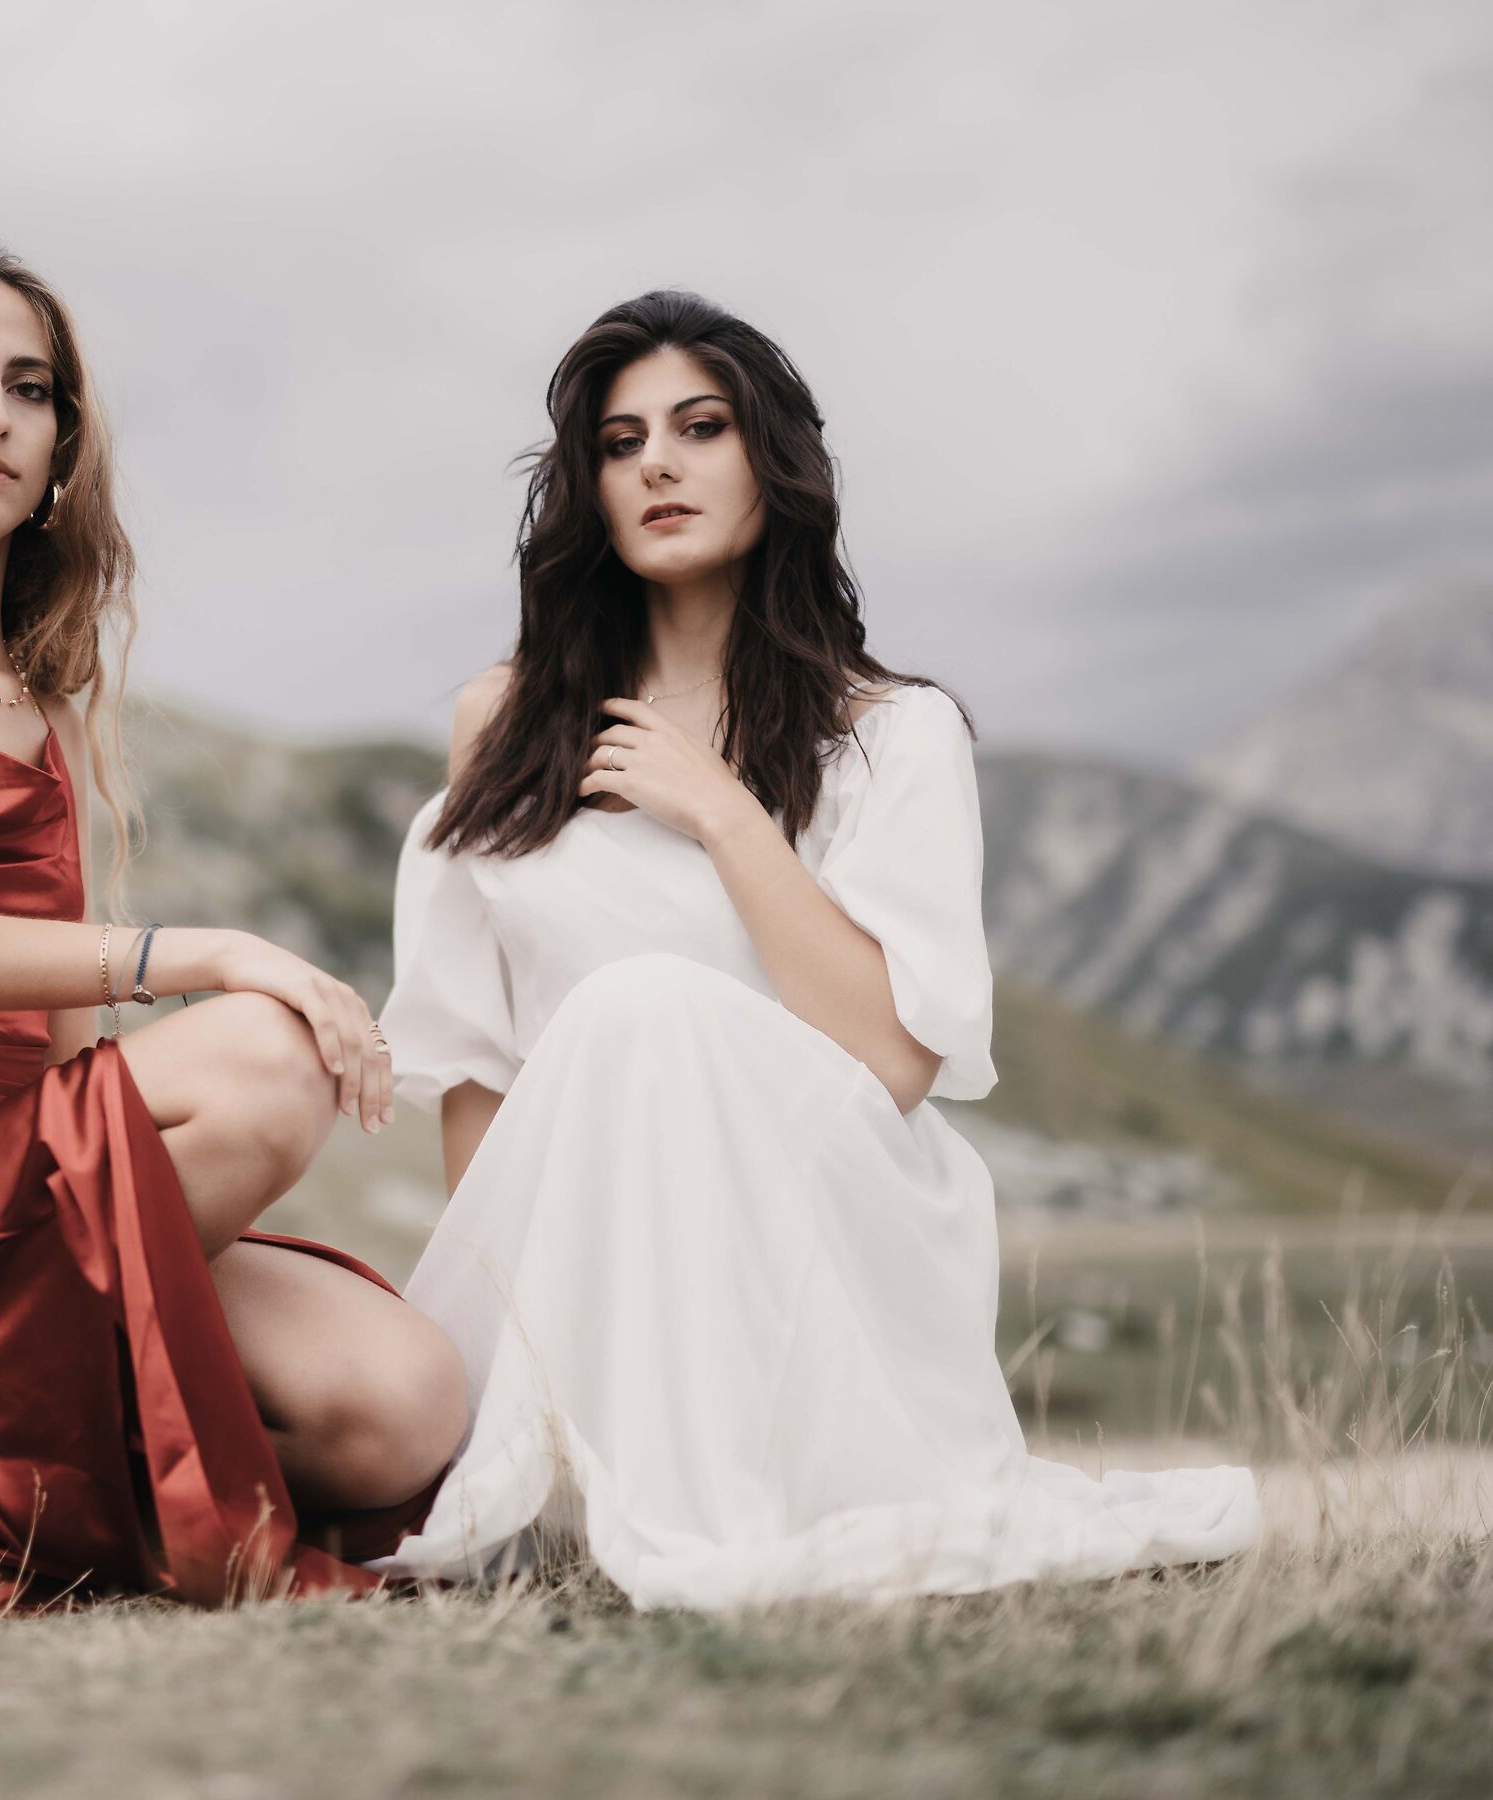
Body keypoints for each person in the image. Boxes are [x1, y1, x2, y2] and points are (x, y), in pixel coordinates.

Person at [369, 289, 1260, 1609]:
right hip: (586, 1259)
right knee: (614, 1024)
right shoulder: (502, 723)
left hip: (827, 1244)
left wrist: (725, 815)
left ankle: (734, 1477)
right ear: (588, 491)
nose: (659, 464)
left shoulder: (892, 733)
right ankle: (563, 1456)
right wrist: (504, 1383)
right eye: (620, 444)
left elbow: (894, 1058)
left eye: (701, 427)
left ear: (771, 464)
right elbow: (486, 1075)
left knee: (648, 1005)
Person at [0, 242, 464, 1618]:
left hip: (21, 1216)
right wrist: (213, 954)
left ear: (62, 447)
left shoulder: (48, 716)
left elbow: (66, 1075)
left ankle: (13, 1500)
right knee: (263, 1059)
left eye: (28, 388)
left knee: (401, 1403)